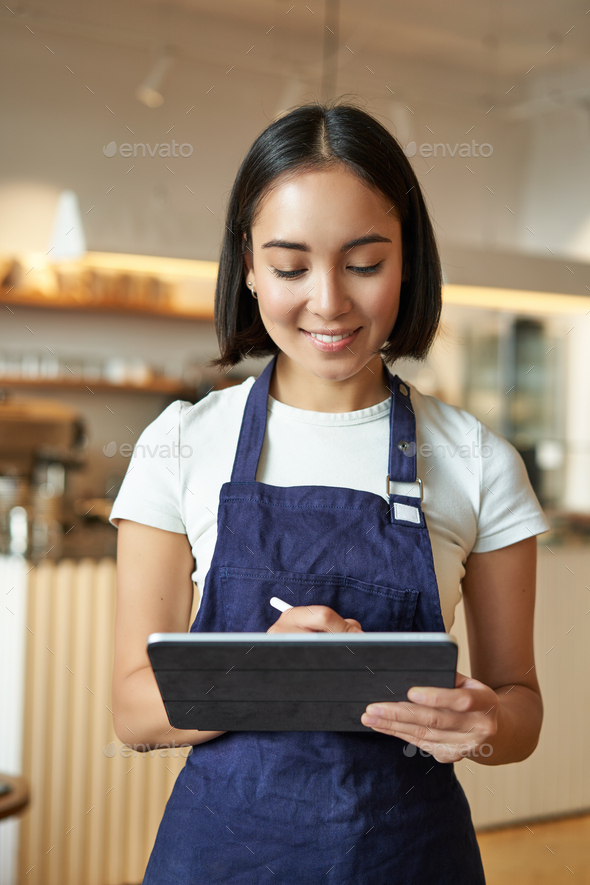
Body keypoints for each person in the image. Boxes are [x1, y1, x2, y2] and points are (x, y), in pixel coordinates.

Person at [110, 101, 550, 884]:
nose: (329, 301)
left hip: (411, 856)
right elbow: (132, 711)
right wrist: (261, 674)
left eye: (365, 262)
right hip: (221, 859)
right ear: (247, 266)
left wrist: (484, 723)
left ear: (408, 258)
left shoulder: (478, 461)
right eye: (289, 267)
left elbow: (519, 711)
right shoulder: (180, 443)